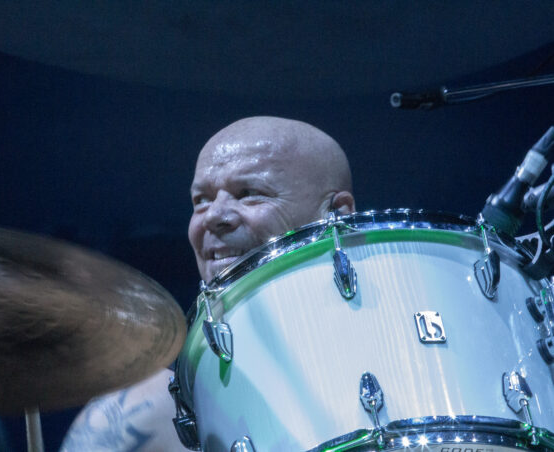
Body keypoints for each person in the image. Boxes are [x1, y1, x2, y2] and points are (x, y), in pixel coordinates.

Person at [60, 116, 355, 451]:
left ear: (337, 213)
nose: (214, 216)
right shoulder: (146, 409)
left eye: (248, 194)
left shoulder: (403, 350)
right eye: (201, 200)